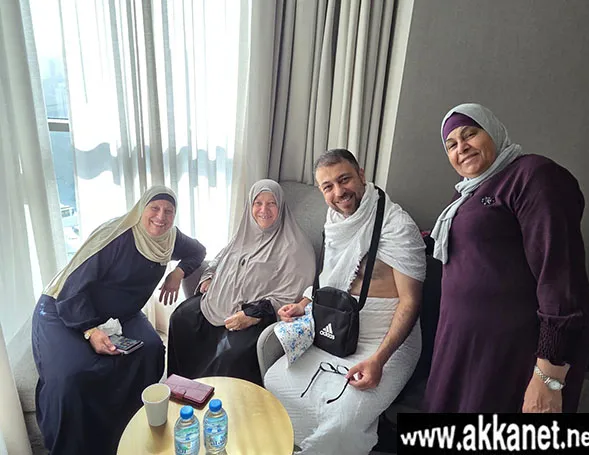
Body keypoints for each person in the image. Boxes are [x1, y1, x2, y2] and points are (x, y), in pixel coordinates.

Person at [425, 103, 589, 413]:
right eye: (451, 144)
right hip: (463, 343)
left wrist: (549, 376)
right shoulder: (466, 192)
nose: (461, 147)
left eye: (470, 134)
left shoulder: (533, 176)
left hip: (512, 349)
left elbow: (561, 277)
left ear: (493, 132)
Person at [264, 150, 426, 455]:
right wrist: (304, 303)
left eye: (344, 179)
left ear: (361, 175)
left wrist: (379, 360)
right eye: (328, 186)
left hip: (384, 341)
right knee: (274, 380)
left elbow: (411, 302)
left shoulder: (397, 227)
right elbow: (332, 275)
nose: (338, 192)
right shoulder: (335, 220)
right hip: (337, 329)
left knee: (342, 419)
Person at [32, 186, 206, 455]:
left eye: (169, 211)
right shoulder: (115, 237)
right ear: (141, 209)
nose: (161, 217)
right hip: (65, 308)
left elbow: (197, 251)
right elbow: (71, 288)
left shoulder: (170, 238)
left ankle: (129, 427)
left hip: (119, 314)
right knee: (70, 377)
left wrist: (178, 273)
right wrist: (90, 331)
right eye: (154, 208)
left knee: (151, 350)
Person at [167, 179, 316, 385]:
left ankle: (219, 396)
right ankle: (182, 387)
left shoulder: (296, 247)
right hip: (219, 301)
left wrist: (253, 314)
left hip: (257, 314)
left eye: (271, 203)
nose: (264, 210)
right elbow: (221, 258)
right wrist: (209, 276)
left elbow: (293, 296)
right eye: (258, 203)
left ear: (281, 206)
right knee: (181, 318)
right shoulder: (245, 233)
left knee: (231, 355)